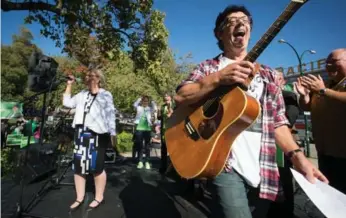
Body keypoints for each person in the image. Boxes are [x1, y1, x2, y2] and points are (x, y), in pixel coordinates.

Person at [174, 5, 328, 218]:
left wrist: (300, 159)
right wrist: (218, 78)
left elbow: (279, 123)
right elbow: (181, 96)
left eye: (245, 20)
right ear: (219, 33)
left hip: (263, 167)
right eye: (231, 21)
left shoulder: (269, 75)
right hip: (224, 161)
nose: (240, 23)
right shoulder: (209, 68)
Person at [63, 67, 116, 211]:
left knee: (96, 168)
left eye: (92, 76)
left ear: (98, 79)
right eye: (88, 76)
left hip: (98, 134)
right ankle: (79, 197)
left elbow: (111, 116)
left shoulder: (105, 95)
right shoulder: (81, 94)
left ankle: (99, 197)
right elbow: (67, 103)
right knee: (79, 167)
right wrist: (69, 85)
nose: (89, 78)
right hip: (81, 133)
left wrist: (113, 135)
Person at [296, 48, 346, 194]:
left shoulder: (324, 88)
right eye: (327, 63)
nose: (329, 65)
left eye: (334, 61)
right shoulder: (325, 85)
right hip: (326, 153)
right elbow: (309, 107)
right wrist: (304, 96)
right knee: (333, 195)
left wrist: (323, 91)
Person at [133, 96, 157, 169]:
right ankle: (140, 161)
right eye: (144, 101)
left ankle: (147, 161)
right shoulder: (139, 108)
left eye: (146, 101)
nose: (145, 102)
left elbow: (155, 108)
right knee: (140, 145)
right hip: (139, 128)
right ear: (142, 102)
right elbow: (134, 105)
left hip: (147, 129)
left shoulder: (149, 109)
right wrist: (139, 99)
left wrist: (152, 101)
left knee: (147, 146)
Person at [158, 93, 174, 174]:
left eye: (167, 96)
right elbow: (159, 118)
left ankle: (172, 168)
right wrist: (158, 113)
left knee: (172, 150)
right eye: (165, 97)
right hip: (164, 130)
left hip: (172, 130)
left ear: (170, 97)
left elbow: (178, 116)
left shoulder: (175, 105)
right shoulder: (162, 106)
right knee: (164, 149)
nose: (166, 98)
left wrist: (172, 114)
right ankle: (163, 167)